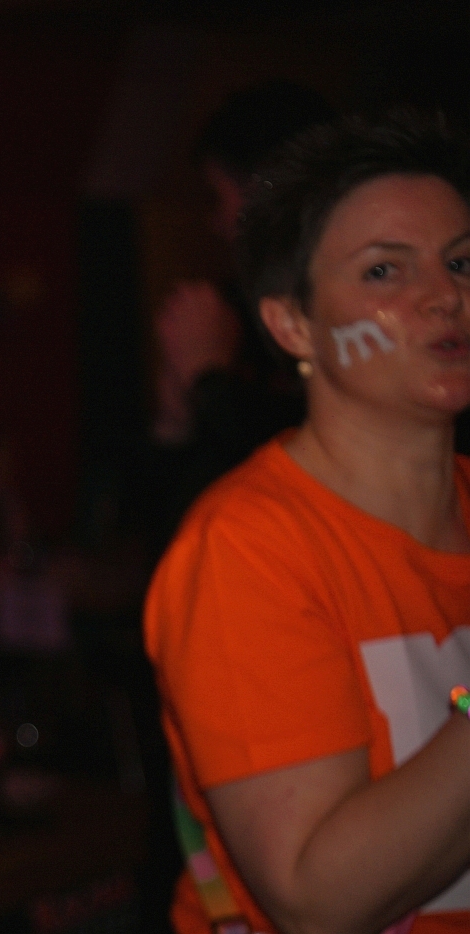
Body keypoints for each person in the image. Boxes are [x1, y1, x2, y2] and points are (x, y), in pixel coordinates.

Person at [146, 110, 470, 934]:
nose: (446, 296)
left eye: (462, 261)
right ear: (292, 325)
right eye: (385, 271)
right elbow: (317, 897)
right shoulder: (248, 550)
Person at [141, 82, 337, 559]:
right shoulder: (238, 308)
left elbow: (317, 470)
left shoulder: (355, 311)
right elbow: (176, 530)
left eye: (218, 197)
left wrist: (209, 380)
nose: (218, 223)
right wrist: (174, 420)